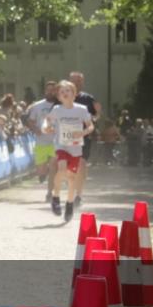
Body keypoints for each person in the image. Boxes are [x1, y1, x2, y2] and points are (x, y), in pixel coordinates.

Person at [43, 80, 94, 223]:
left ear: (74, 94)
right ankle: (56, 197)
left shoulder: (82, 109)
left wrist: (83, 132)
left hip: (76, 148)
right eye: (62, 92)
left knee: (71, 178)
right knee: (62, 168)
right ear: (59, 97)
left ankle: (70, 204)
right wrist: (47, 127)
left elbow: (91, 126)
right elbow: (47, 121)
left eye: (68, 91)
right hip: (61, 145)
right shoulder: (57, 109)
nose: (65, 93)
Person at [69, 71, 100, 207]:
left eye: (80, 81)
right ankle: (72, 189)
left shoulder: (88, 99)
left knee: (81, 164)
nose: (77, 83)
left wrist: (93, 119)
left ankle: (78, 196)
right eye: (75, 81)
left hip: (83, 137)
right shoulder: (62, 97)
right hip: (66, 138)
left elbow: (97, 113)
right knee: (70, 168)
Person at [25, 81, 59, 207]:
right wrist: (36, 130)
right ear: (45, 91)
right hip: (41, 141)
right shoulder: (38, 106)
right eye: (48, 90)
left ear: (56, 91)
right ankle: (45, 173)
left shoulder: (60, 105)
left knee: (54, 168)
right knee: (41, 171)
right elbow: (30, 121)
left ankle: (50, 193)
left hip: (56, 141)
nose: (50, 92)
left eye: (53, 90)